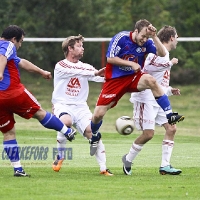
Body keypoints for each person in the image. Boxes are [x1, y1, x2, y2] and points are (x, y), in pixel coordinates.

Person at [90, 19, 184, 151]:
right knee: (98, 114)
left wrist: (154, 36)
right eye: (143, 36)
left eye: (147, 37)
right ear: (135, 31)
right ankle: (94, 135)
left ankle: (169, 114)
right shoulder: (121, 38)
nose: (144, 39)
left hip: (133, 77)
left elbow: (162, 53)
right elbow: (110, 59)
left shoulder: (148, 41)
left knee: (151, 81)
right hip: (115, 80)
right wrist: (131, 64)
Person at [0, 25, 76, 177]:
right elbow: (3, 56)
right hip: (13, 92)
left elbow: (21, 62)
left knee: (8, 133)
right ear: (14, 39)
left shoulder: (9, 52)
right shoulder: (7, 44)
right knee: (39, 112)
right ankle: (67, 131)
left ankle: (18, 169)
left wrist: (41, 72)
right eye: (20, 41)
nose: (20, 45)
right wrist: (0, 73)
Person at [123, 25, 182, 175]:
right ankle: (127, 160)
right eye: (177, 37)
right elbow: (147, 68)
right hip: (145, 99)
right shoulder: (153, 51)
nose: (177, 40)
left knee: (171, 128)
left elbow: (159, 83)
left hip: (158, 100)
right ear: (171, 38)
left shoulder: (165, 54)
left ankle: (165, 166)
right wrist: (169, 63)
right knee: (148, 134)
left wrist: (169, 90)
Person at [51, 35, 113, 176]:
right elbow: (76, 71)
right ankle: (60, 156)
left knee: (93, 133)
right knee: (66, 122)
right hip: (63, 104)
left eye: (82, 46)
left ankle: (103, 169)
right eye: (79, 46)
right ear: (70, 48)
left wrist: (114, 76)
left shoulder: (86, 67)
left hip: (81, 107)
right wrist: (94, 72)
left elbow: (97, 77)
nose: (82, 48)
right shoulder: (61, 65)